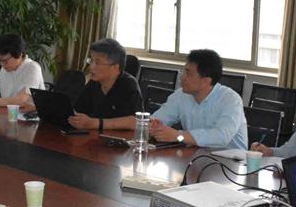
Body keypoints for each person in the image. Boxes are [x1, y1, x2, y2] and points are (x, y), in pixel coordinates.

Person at [105, 49, 246, 149]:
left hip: (232, 166)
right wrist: (154, 126)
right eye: (184, 71)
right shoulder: (181, 95)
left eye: (188, 73)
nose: (182, 77)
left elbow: (221, 137)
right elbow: (158, 120)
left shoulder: (230, 100)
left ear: (206, 80)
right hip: (195, 157)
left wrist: (178, 136)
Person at [67, 38, 143, 131]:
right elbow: (79, 110)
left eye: (97, 63)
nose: (91, 67)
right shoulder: (94, 83)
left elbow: (135, 121)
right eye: (91, 61)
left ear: (115, 67)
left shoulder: (128, 85)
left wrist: (94, 123)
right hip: (93, 135)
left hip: (119, 137)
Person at [0, 34, 44, 108]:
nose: (2, 64)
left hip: (29, 114)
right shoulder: (4, 69)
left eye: (5, 61)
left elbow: (21, 100)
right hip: (8, 113)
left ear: (20, 55)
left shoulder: (32, 68)